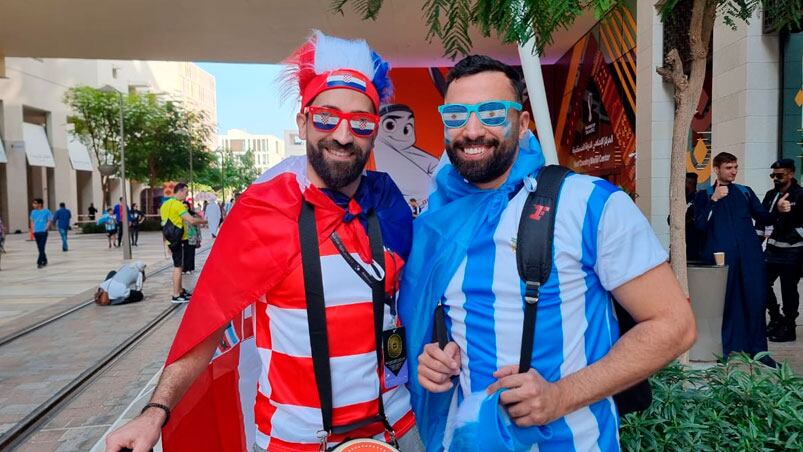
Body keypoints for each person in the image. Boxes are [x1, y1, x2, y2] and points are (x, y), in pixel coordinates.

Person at [106, 31, 420, 452]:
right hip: (296, 442)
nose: (343, 136)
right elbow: (206, 324)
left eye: (360, 122)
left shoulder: (391, 205)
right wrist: (154, 413)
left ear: (374, 131)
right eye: (327, 117)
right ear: (303, 121)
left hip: (397, 430)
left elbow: (420, 300)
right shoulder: (264, 210)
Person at [401, 55, 696, 451]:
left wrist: (562, 395)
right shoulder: (434, 225)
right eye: (456, 115)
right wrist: (435, 361)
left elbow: (674, 325)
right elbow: (442, 326)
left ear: (523, 125)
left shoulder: (588, 203)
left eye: (491, 113)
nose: (472, 130)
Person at [693, 152, 786, 364]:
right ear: (716, 169)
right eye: (728, 168)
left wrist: (779, 210)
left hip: (750, 256)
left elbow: (763, 217)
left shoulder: (745, 192)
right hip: (721, 258)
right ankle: (723, 350)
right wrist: (714, 200)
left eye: (735, 167)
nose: (733, 171)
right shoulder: (704, 194)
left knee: (755, 300)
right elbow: (700, 225)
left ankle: (759, 352)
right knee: (724, 302)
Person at [756, 158, 802, 342]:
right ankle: (775, 318)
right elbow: (762, 219)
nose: (775, 178)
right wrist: (755, 242)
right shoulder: (770, 195)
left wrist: (793, 234)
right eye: (772, 175)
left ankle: (789, 326)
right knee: (761, 283)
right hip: (772, 250)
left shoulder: (800, 195)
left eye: (779, 175)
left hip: (794, 251)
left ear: (791, 174)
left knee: (788, 289)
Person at [159, 182, 207, 303]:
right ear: (179, 191)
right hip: (177, 238)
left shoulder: (165, 204)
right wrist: (204, 221)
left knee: (179, 265)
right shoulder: (178, 205)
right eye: (186, 192)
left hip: (170, 238)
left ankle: (180, 291)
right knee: (178, 267)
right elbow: (191, 219)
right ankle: (176, 295)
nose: (186, 195)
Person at [30, 198, 53, 269]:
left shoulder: (47, 211)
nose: (33, 204)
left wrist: (46, 228)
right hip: (36, 232)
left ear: (40, 204)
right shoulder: (33, 212)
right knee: (39, 248)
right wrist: (33, 230)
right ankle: (45, 259)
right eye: (33, 203)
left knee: (42, 247)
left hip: (43, 232)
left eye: (35, 203)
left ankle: (39, 262)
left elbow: (49, 220)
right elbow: (32, 221)